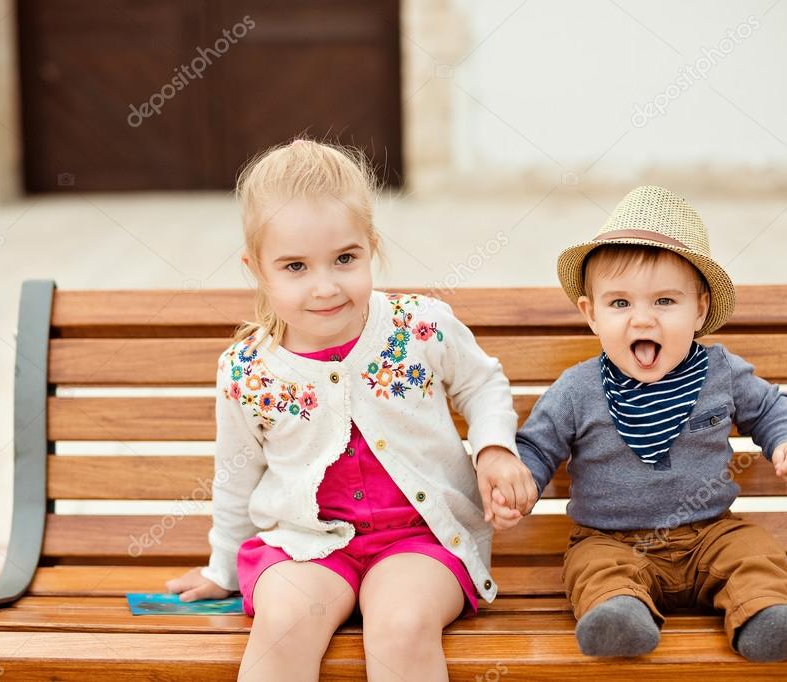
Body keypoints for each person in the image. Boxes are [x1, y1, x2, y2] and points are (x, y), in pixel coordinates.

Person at [165, 138, 536, 681]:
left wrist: (495, 450)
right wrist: (222, 566)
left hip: (419, 540)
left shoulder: (417, 327)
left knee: (402, 624)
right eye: (295, 266)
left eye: (345, 258)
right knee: (284, 624)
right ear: (257, 269)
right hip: (305, 546)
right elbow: (236, 475)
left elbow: (481, 384)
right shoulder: (249, 370)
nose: (325, 286)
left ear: (371, 246)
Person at [489, 185, 787, 662]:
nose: (642, 320)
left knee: (754, 553)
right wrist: (521, 485)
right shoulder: (577, 389)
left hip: (710, 532)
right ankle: (622, 617)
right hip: (610, 539)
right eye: (620, 304)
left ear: (699, 310)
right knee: (595, 570)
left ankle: (766, 617)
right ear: (590, 314)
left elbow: (770, 407)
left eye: (664, 302)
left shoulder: (722, 372)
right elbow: (536, 446)